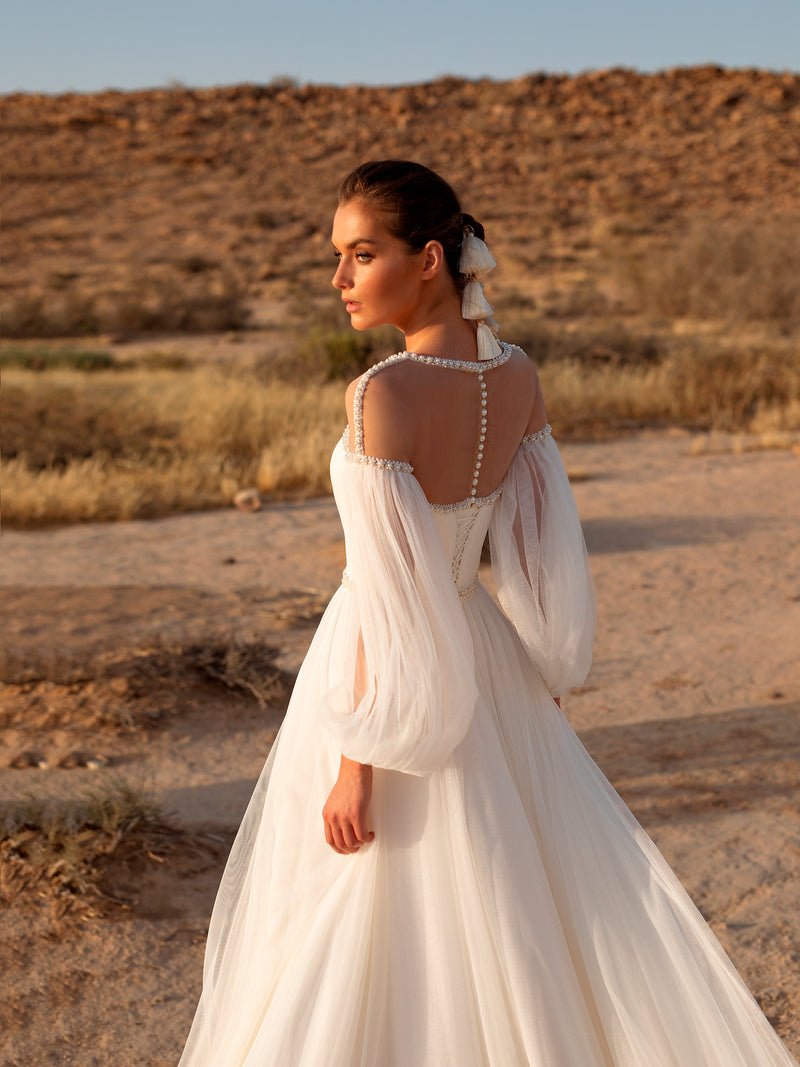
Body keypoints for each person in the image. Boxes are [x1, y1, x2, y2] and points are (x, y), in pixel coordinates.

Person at [179, 160, 797, 1066]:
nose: (339, 279)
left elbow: (392, 596)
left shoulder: (380, 393)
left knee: (366, 900)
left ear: (429, 258)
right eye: (338, 257)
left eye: (361, 254)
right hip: (489, 655)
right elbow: (539, 550)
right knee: (516, 894)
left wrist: (360, 759)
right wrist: (543, 669)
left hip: (388, 673)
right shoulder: (518, 376)